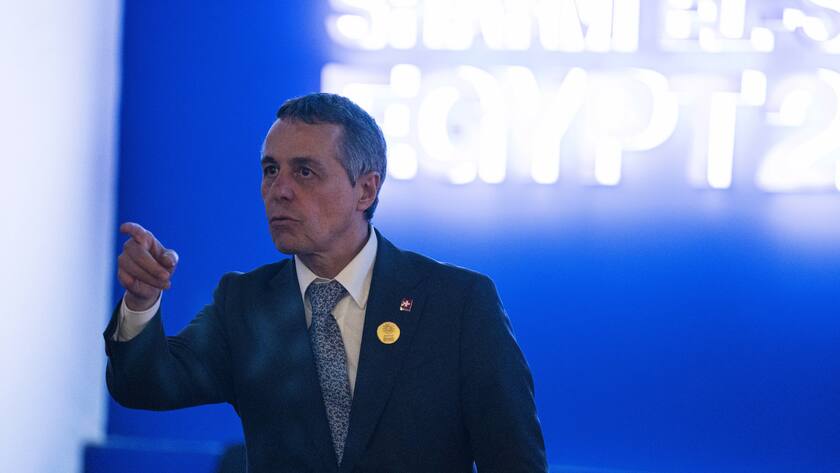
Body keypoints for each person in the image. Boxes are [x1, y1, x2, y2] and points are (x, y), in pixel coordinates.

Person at [104, 93, 547, 473]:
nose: (279, 189)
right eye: (271, 169)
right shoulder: (245, 303)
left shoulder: (457, 304)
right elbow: (144, 385)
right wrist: (142, 302)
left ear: (366, 190)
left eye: (305, 172)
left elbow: (513, 459)